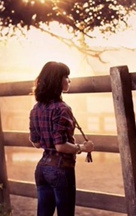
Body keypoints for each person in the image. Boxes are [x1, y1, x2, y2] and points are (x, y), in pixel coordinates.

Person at [29, 61, 94, 216]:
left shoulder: (36, 108)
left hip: (42, 169)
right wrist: (82, 148)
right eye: (66, 76)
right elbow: (60, 146)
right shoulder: (62, 109)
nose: (68, 80)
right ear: (57, 80)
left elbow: (36, 142)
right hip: (60, 169)